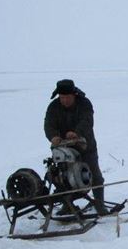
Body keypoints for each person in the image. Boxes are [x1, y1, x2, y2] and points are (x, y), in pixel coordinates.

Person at [44, 79, 110, 215]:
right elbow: (48, 125)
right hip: (62, 149)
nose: (65, 100)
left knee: (94, 175)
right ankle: (67, 205)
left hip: (85, 146)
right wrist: (53, 136)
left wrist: (76, 133)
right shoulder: (53, 107)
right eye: (62, 97)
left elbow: (87, 121)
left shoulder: (85, 104)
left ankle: (99, 204)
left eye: (68, 97)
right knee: (62, 179)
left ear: (74, 95)